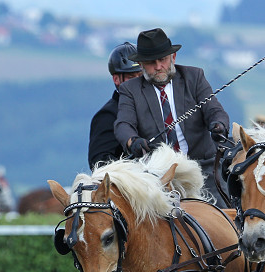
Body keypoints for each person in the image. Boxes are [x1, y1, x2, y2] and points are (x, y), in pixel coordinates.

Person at [114, 28, 229, 200]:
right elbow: (123, 124)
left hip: (202, 170)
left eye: (163, 60)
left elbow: (214, 110)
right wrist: (133, 141)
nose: (159, 67)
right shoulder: (130, 90)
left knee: (223, 217)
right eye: (151, 62)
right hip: (157, 174)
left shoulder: (194, 77)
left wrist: (218, 125)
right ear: (142, 64)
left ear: (173, 58)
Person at [88, 43, 142, 170]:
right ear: (116, 79)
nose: (138, 82)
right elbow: (99, 162)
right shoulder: (108, 115)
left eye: (141, 75)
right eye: (131, 77)